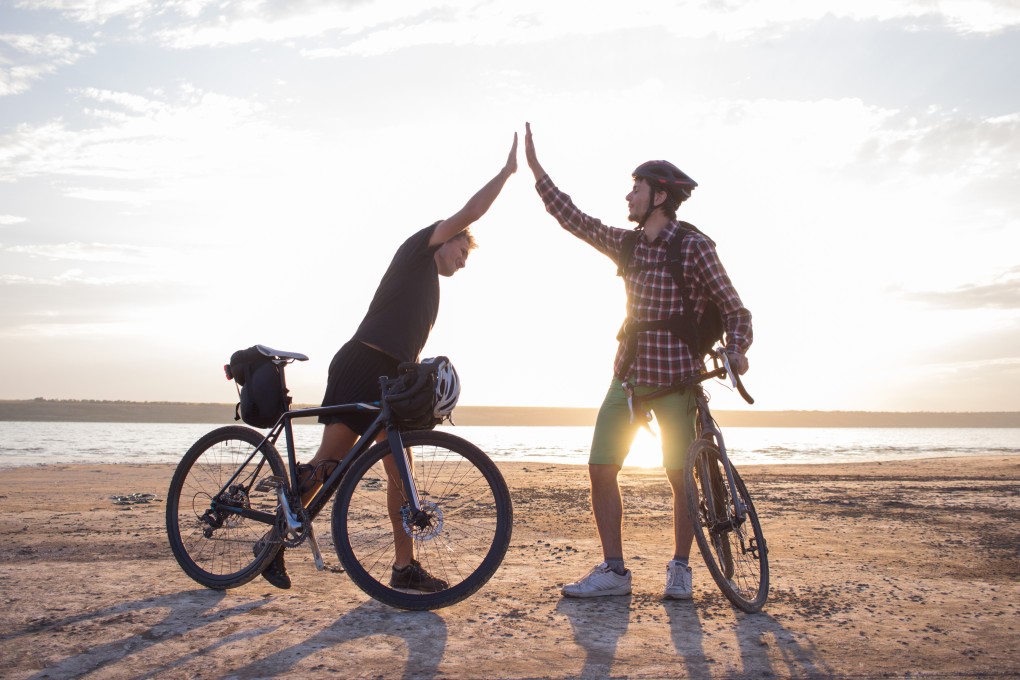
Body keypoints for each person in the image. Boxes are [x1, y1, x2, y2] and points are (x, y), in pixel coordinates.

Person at [259, 133, 518, 590]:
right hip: (362, 364)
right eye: (462, 251)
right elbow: (472, 211)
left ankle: (403, 568)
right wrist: (505, 174)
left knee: (401, 471)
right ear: (446, 239)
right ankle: (273, 541)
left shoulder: (428, 285)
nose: (463, 262)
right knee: (330, 465)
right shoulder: (419, 249)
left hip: (386, 378)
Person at [523, 122, 752, 599]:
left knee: (680, 478)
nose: (629, 196)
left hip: (677, 380)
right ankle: (614, 571)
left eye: (637, 188)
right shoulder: (627, 244)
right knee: (600, 468)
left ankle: (680, 568)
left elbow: (735, 310)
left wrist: (736, 350)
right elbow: (576, 219)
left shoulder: (693, 247)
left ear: (660, 196)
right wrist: (538, 172)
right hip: (627, 379)